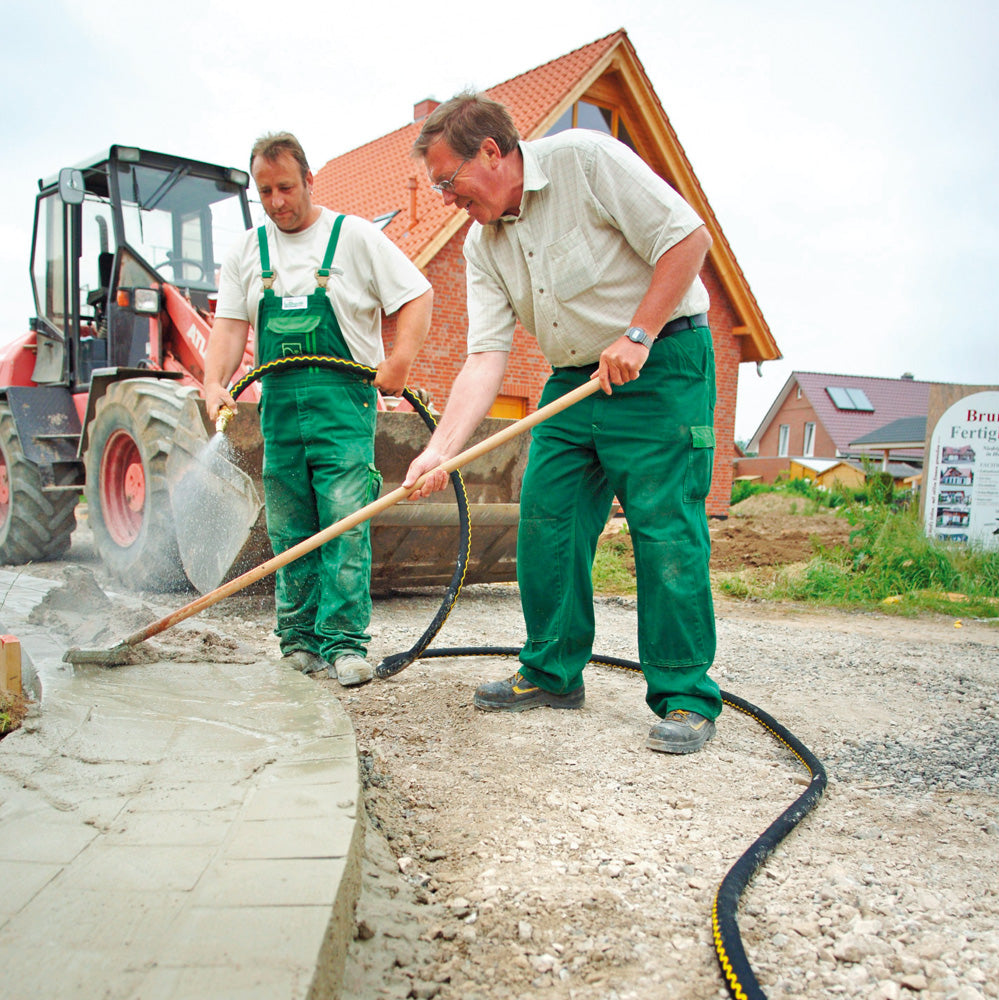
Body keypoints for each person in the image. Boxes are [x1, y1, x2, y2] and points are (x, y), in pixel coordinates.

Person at [402, 93, 721, 753]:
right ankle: (552, 672)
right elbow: (486, 357)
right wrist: (439, 450)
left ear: (491, 152)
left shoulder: (585, 160)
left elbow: (688, 240)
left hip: (662, 362)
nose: (444, 197)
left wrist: (639, 333)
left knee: (665, 530)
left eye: (446, 180)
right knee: (547, 520)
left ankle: (686, 696)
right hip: (575, 379)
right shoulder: (481, 244)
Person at [204, 132, 432, 687]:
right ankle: (298, 642)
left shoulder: (353, 237)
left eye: (286, 187)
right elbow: (232, 327)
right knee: (288, 526)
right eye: (265, 191)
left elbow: (418, 294)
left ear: (309, 180)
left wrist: (398, 362)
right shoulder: (247, 250)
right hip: (278, 406)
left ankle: (345, 643)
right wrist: (215, 381)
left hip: (342, 405)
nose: (278, 201)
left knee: (344, 523)